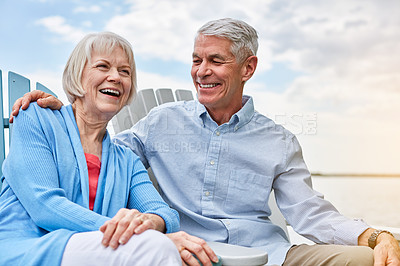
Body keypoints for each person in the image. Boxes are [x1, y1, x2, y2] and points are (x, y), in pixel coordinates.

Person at [10, 18, 400, 266]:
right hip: (187, 252)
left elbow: (311, 215)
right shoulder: (158, 124)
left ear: (248, 68)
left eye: (215, 60)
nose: (202, 71)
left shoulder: (278, 141)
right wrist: (63, 106)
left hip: (270, 256)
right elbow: (89, 147)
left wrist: (376, 235)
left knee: (378, 258)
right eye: (196, 60)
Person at [0, 31, 183, 266]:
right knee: (154, 249)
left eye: (124, 72)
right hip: (28, 247)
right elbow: (44, 205)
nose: (115, 77)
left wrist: (149, 223)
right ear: (77, 75)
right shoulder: (36, 117)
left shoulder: (126, 159)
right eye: (103, 66)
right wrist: (134, 234)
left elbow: (163, 213)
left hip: (97, 250)